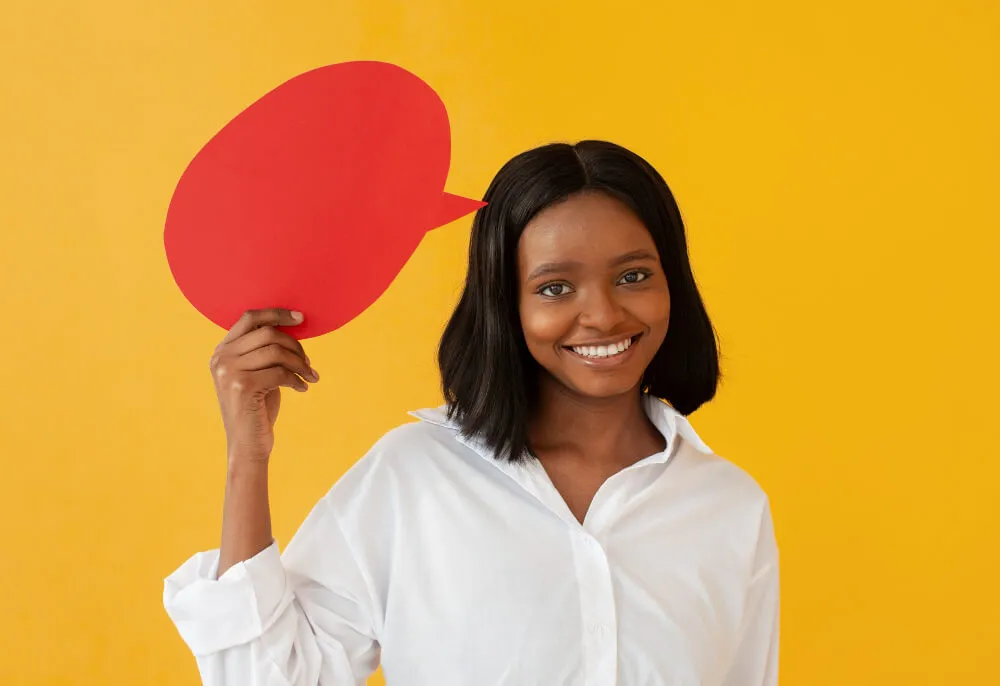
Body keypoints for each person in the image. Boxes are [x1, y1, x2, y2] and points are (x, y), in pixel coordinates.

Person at [163, 140, 779, 685]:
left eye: (634, 275)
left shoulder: (729, 507)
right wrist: (249, 453)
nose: (602, 315)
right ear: (503, 303)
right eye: (554, 287)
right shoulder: (413, 482)